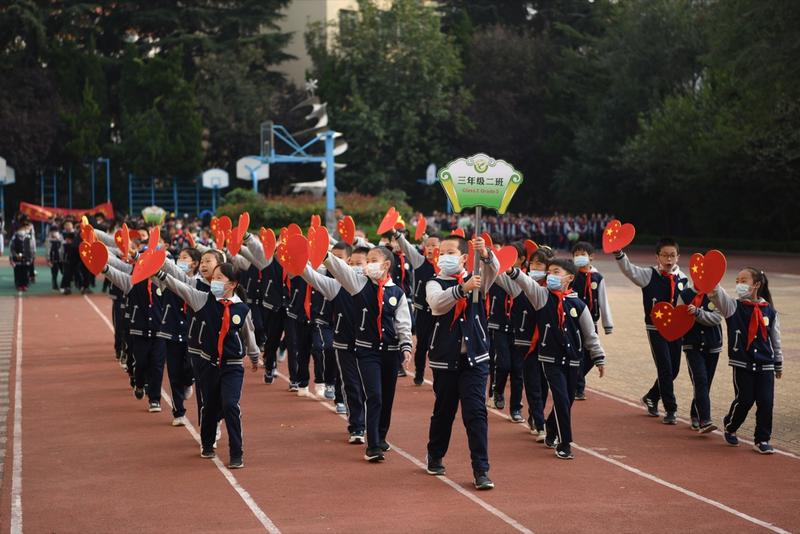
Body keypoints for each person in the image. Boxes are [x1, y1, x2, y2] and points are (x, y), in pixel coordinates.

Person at [158, 263, 260, 468]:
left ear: (232, 284)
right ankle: (207, 443)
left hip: (232, 365)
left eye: (219, 278)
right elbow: (181, 288)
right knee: (210, 405)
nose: (214, 282)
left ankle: (236, 452)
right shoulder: (203, 300)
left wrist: (255, 356)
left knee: (231, 405)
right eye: (213, 278)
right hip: (209, 363)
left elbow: (248, 334)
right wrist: (160, 274)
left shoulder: (242, 308)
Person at [509, 258, 606, 460]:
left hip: (573, 360)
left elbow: (590, 334)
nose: (551, 276)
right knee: (561, 399)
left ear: (569, 278)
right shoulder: (542, 296)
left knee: (567, 400)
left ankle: (552, 430)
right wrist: (511, 270)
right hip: (550, 358)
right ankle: (565, 443)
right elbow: (526, 283)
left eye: (556, 272)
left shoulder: (578, 304)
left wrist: (598, 357)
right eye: (550, 272)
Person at [323, 246, 413, 462]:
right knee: (375, 396)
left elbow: (403, 323)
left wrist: (406, 346)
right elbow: (341, 269)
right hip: (367, 351)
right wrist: (325, 255)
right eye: (367, 259)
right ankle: (372, 446)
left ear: (386, 265)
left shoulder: (397, 292)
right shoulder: (359, 285)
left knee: (388, 397)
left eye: (373, 260)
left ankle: (381, 436)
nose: (368, 264)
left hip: (390, 353)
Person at [425, 234, 499, 490]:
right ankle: (435, 453)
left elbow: (493, 272)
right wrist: (461, 290)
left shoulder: (477, 278)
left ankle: (481, 469)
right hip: (446, 359)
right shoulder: (433, 283)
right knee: (444, 411)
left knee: (476, 412)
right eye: (442, 253)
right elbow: (438, 304)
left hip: (475, 358)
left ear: (464, 257)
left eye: (451, 253)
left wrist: (486, 254)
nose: (445, 257)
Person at [708, 268, 782, 454]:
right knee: (745, 399)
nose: (739, 285)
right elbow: (717, 294)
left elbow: (775, 339)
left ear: (756, 284)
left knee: (766, 402)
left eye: (744, 280)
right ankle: (731, 425)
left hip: (766, 363)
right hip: (742, 362)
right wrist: (710, 276)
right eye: (737, 281)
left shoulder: (770, 312)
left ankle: (762, 439)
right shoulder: (733, 306)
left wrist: (778, 362)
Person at [614, 238, 687, 424]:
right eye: (664, 255)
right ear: (657, 257)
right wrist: (619, 254)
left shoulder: (684, 279)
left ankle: (652, 397)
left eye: (672, 255)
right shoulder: (649, 275)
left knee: (674, 369)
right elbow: (630, 270)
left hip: (676, 329)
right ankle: (671, 409)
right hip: (656, 327)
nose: (668, 259)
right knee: (664, 367)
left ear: (678, 257)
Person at [300, 244, 368, 443]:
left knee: (371, 389)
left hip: (370, 347)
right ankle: (357, 426)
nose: (354, 266)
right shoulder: (335, 286)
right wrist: (296, 259)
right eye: (351, 263)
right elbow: (312, 276)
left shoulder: (373, 287)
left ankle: (376, 428)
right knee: (352, 385)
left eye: (360, 263)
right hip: (344, 345)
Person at [393, 230, 441, 386]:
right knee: (422, 345)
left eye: (434, 245)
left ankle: (438, 375)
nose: (430, 248)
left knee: (438, 345)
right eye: (427, 245)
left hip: (440, 312)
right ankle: (419, 372)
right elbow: (406, 247)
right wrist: (397, 234)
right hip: (422, 312)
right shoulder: (420, 261)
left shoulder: (445, 266)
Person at [676, 279, 723, 433]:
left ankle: (695, 412)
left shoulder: (717, 293)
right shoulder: (685, 294)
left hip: (713, 344)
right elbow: (679, 318)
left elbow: (717, 318)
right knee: (700, 379)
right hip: (692, 344)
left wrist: (697, 313)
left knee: (705, 383)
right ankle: (705, 420)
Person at [571, 241, 613, 400]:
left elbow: (603, 299)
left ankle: (576, 378)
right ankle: (579, 388)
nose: (579, 257)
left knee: (590, 355)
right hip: (574, 322)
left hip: (591, 323)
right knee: (578, 353)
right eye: (576, 255)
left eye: (583, 254)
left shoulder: (597, 277)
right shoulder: (572, 275)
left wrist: (607, 324)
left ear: (592, 257)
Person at [47, 223, 64, 291]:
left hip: (61, 258)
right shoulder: (48, 239)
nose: (54, 232)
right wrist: (48, 260)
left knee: (63, 272)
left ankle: (63, 284)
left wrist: (58, 239)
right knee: (54, 273)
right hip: (53, 259)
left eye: (55, 231)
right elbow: (47, 250)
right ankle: (55, 285)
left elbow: (63, 245)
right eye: (52, 231)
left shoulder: (60, 237)